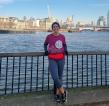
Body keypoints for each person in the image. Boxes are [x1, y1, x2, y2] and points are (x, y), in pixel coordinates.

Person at [44, 22, 68, 103]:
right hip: (52, 59)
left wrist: (66, 50)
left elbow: (64, 45)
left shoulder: (62, 36)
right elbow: (45, 44)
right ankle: (63, 92)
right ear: (52, 28)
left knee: (60, 77)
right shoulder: (49, 36)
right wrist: (45, 50)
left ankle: (57, 95)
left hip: (61, 58)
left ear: (59, 28)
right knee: (55, 77)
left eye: (57, 26)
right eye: (54, 27)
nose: (55, 28)